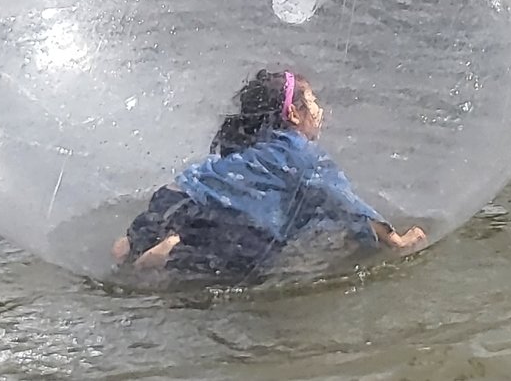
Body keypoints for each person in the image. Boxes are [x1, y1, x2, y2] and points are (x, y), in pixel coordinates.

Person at [112, 69, 425, 282]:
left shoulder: (249, 147)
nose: (321, 110)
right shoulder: (303, 155)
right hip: (227, 225)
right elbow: (345, 203)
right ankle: (174, 249)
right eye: (313, 102)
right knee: (250, 258)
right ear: (293, 114)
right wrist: (396, 241)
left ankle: (133, 244)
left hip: (177, 196)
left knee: (155, 232)